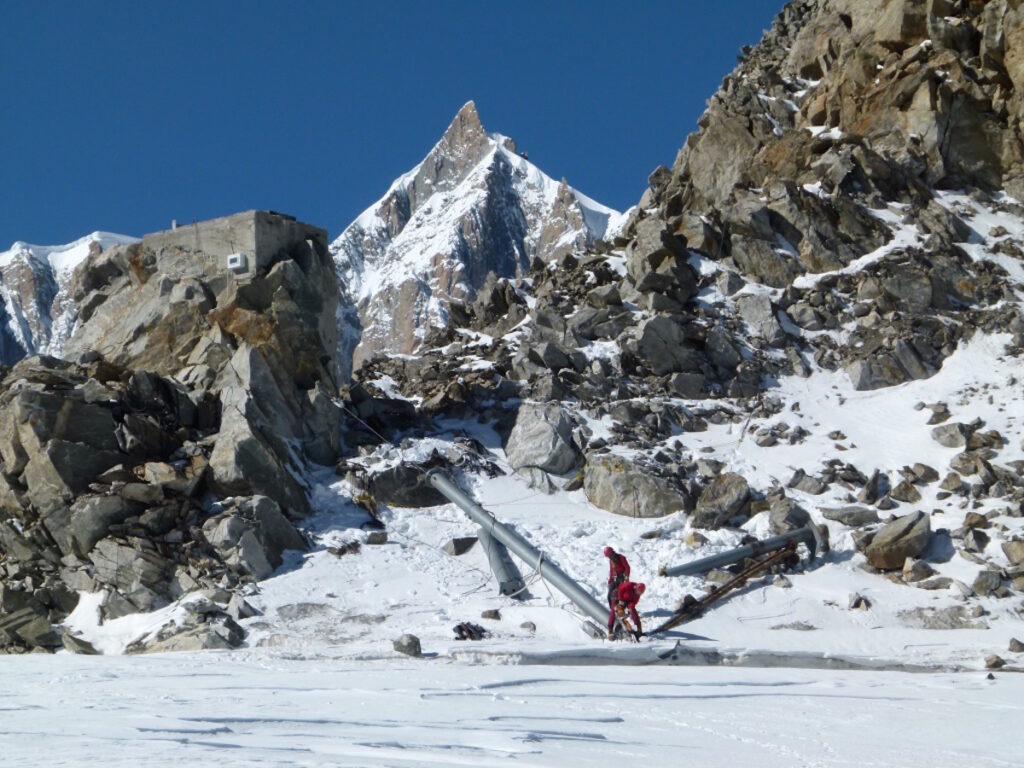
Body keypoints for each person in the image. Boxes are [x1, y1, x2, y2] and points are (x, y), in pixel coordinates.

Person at [603, 546, 630, 611]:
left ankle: (623, 609)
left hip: (621, 578)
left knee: (620, 595)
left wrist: (626, 577)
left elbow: (627, 568)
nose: (609, 557)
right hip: (614, 579)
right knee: (610, 595)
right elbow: (611, 571)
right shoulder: (611, 561)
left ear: (612, 553)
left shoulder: (621, 558)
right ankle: (613, 610)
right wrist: (610, 580)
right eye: (608, 556)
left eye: (609, 555)